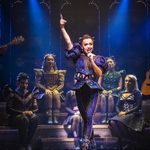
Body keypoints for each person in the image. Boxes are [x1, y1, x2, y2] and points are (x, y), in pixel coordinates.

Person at [60, 14, 108, 149]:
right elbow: (68, 43)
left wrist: (92, 60)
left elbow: (99, 73)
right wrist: (62, 27)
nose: (88, 46)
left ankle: (85, 142)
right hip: (80, 88)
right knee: (85, 117)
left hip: (92, 89)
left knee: (89, 115)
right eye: (86, 44)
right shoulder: (77, 57)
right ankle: (92, 140)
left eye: (90, 44)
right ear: (81, 45)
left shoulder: (98, 58)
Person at [108, 74, 144, 149]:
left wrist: (126, 113)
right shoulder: (121, 93)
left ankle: (128, 141)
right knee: (112, 122)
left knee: (123, 121)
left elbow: (138, 106)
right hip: (122, 114)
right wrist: (119, 112)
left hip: (133, 113)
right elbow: (117, 105)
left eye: (130, 81)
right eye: (126, 80)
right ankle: (125, 139)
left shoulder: (137, 93)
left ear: (134, 82)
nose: (127, 82)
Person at [6, 72, 39, 150]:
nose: (25, 85)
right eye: (22, 83)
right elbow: (8, 109)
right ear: (18, 83)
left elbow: (36, 107)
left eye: (26, 83)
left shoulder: (31, 94)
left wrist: (32, 112)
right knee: (24, 119)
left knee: (35, 118)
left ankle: (28, 142)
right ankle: (22, 144)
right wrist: (22, 113)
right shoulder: (13, 94)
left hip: (27, 117)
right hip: (15, 118)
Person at [34, 53, 66, 124]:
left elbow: (62, 84)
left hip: (55, 91)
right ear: (45, 61)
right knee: (48, 94)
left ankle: (55, 116)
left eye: (52, 60)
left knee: (56, 94)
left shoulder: (59, 72)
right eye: (48, 60)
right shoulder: (41, 72)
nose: (50, 61)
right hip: (43, 92)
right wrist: (45, 89)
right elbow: (37, 83)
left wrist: (56, 89)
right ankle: (49, 117)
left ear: (54, 61)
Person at [99, 57, 123, 123]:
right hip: (103, 92)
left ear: (114, 63)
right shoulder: (102, 73)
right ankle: (104, 117)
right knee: (103, 96)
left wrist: (112, 91)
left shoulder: (118, 74)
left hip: (114, 92)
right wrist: (103, 90)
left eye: (111, 62)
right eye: (108, 62)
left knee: (110, 97)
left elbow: (120, 87)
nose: (109, 63)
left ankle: (109, 117)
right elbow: (99, 85)